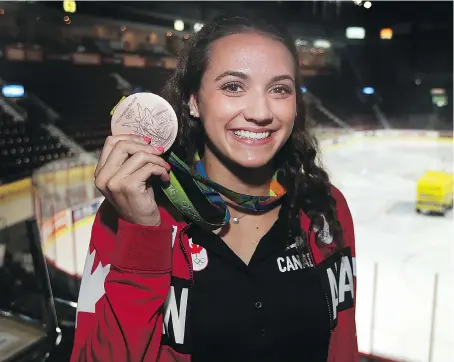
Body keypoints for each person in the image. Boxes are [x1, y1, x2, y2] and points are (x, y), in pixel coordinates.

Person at [71, 15, 358, 362]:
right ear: (193, 100)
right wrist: (143, 239)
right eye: (233, 86)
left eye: (279, 89)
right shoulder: (133, 212)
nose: (261, 112)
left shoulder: (325, 208)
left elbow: (342, 345)